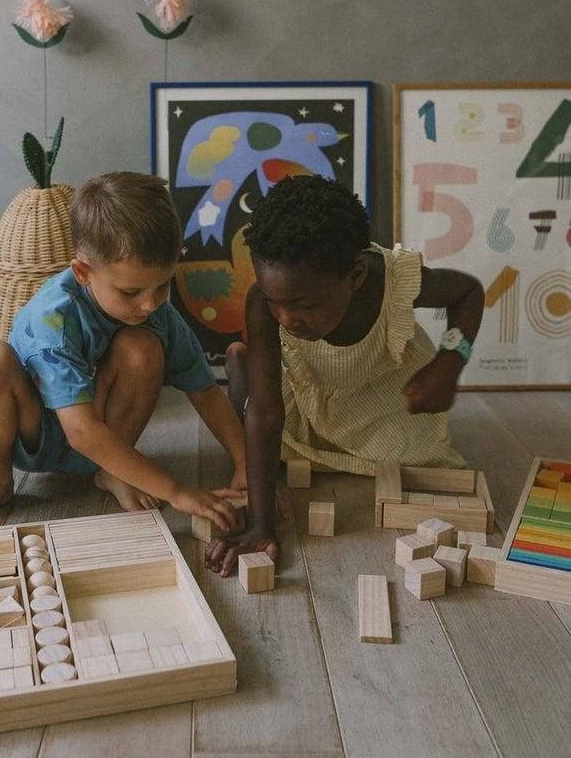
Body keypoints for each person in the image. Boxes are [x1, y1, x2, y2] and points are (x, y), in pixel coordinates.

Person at [0, 171, 246, 532]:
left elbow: (206, 392)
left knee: (143, 345)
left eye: (162, 286)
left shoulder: (156, 312)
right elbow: (80, 431)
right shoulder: (53, 319)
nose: (149, 304)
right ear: (82, 272)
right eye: (131, 292)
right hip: (40, 432)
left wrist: (244, 463)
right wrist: (176, 492)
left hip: (104, 433)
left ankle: (110, 472)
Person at [206, 175, 484, 576]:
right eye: (274, 302)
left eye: (301, 304)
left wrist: (450, 361)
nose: (285, 318)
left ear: (355, 277)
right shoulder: (264, 305)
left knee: (418, 458)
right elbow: (266, 412)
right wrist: (261, 524)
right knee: (257, 423)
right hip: (310, 391)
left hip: (379, 388)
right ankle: (244, 367)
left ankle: (245, 366)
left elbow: (468, 293)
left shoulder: (393, 279)